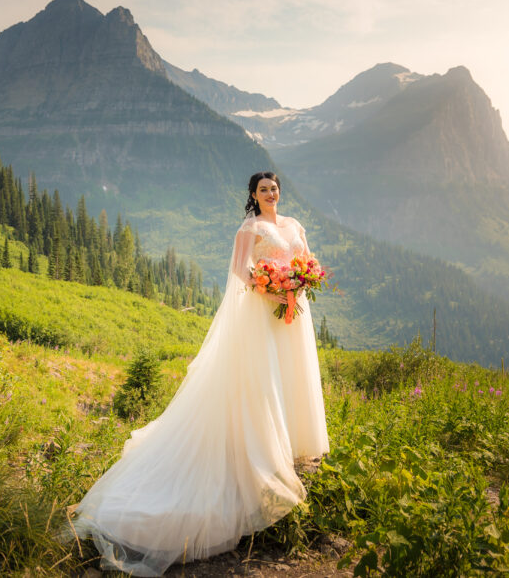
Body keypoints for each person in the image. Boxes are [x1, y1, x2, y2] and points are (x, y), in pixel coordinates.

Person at [70, 171, 329, 576]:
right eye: (263, 189)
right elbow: (241, 270)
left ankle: (292, 445)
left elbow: (308, 260)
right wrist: (270, 288)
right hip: (265, 312)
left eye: (274, 188)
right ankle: (263, 449)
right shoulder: (249, 227)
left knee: (292, 376)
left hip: (294, 311)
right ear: (254, 195)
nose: (270, 193)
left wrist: (301, 281)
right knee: (266, 382)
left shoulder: (294, 225)